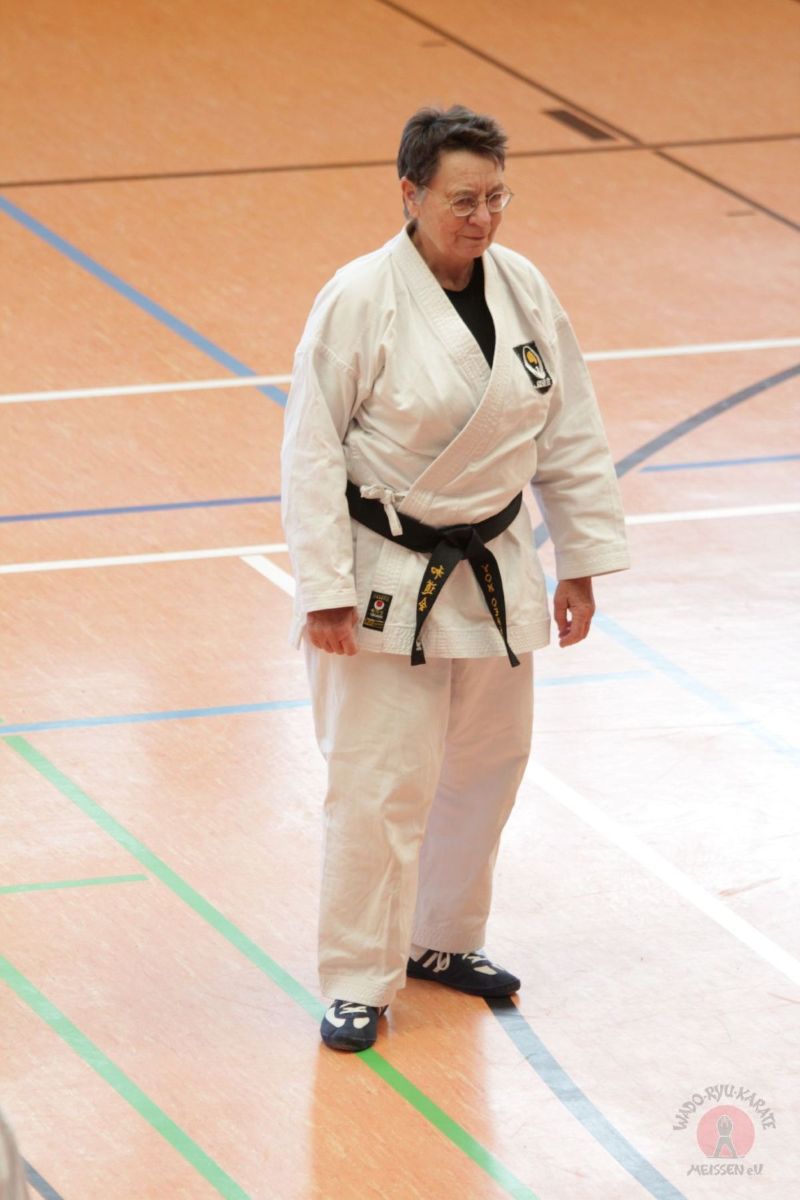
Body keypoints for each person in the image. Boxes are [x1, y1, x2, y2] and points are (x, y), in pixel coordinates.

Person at [281, 105, 629, 1052]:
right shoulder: (360, 297)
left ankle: (442, 937)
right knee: (381, 784)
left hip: (496, 566)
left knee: (486, 768)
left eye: (497, 198)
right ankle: (358, 977)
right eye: (463, 200)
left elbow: (570, 428)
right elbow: (310, 449)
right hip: (384, 575)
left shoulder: (523, 287)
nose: (483, 218)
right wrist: (324, 589)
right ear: (411, 194)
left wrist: (582, 560)